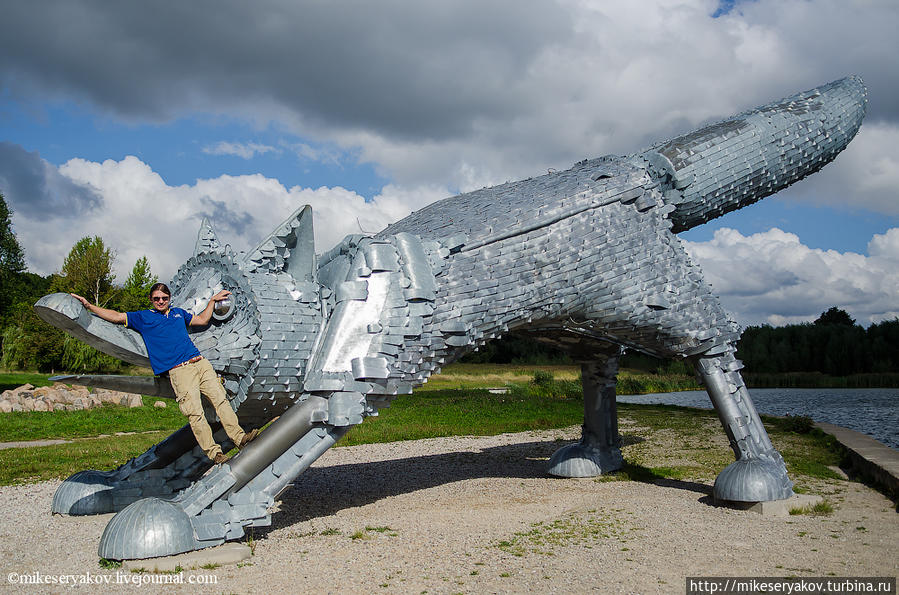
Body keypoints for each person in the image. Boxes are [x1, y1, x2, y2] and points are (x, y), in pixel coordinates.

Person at [70, 283, 258, 464]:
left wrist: (212, 302)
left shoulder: (178, 313)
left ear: (169, 298)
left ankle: (240, 439)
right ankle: (214, 453)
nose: (161, 301)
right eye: (156, 298)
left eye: (164, 298)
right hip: (179, 371)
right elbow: (117, 316)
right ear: (151, 300)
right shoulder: (143, 317)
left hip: (200, 363)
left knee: (221, 401)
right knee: (195, 413)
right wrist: (88, 305)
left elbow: (201, 320)